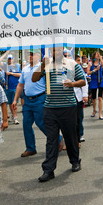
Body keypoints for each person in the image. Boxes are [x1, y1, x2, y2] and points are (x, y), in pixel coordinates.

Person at [32, 46, 86, 182]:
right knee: (51, 139)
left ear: (64, 51)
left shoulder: (72, 64)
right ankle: (48, 170)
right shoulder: (47, 64)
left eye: (59, 50)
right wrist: (42, 65)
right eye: (54, 50)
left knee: (70, 137)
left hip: (68, 107)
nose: (56, 53)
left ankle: (75, 161)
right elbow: (34, 78)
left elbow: (83, 81)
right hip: (50, 107)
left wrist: (72, 84)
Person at [12, 49, 47, 157]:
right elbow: (20, 85)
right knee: (26, 124)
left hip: (40, 98)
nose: (29, 56)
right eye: (28, 55)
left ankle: (57, 139)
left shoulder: (43, 67)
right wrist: (15, 99)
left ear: (38, 55)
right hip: (27, 100)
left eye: (32, 55)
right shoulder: (25, 68)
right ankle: (30, 148)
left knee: (41, 123)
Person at [0, 53, 21, 124]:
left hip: (15, 87)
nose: (10, 60)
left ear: (13, 59)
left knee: (14, 103)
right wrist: (6, 53)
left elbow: (20, 75)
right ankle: (13, 115)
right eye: (8, 59)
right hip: (7, 88)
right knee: (10, 103)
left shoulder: (16, 66)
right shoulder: (5, 66)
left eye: (11, 59)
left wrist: (11, 73)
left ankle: (15, 117)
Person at [87, 51, 103, 119]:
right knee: (94, 98)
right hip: (94, 81)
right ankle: (94, 110)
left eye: (98, 54)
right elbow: (88, 73)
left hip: (100, 80)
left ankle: (100, 114)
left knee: (100, 98)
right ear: (94, 56)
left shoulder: (100, 63)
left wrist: (100, 58)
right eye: (97, 54)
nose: (98, 55)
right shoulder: (90, 63)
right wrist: (94, 70)